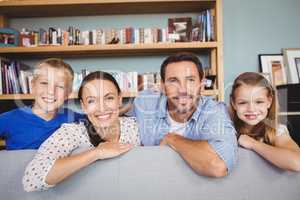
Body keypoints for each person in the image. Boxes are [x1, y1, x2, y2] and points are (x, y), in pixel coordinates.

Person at [23, 71, 140, 192]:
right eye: (91, 101)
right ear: (83, 106)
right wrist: (96, 153)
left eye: (109, 98)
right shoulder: (71, 132)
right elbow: (31, 180)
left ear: (119, 99)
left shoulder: (135, 126)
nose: (102, 108)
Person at [125, 52, 238, 177]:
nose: (182, 90)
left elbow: (218, 166)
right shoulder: (145, 102)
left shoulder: (214, 111)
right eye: (173, 81)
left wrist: (172, 139)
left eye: (190, 80)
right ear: (162, 86)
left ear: (201, 83)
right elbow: (122, 131)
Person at [0, 58, 83, 150]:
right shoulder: (9, 119)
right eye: (44, 83)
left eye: (60, 86)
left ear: (68, 93)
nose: (51, 91)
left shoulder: (75, 119)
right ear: (33, 86)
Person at [230, 72, 300, 171]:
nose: (251, 109)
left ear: (269, 102)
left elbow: (297, 163)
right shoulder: (227, 127)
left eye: (259, 102)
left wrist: (253, 144)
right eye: (243, 102)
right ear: (233, 104)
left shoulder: (276, 130)